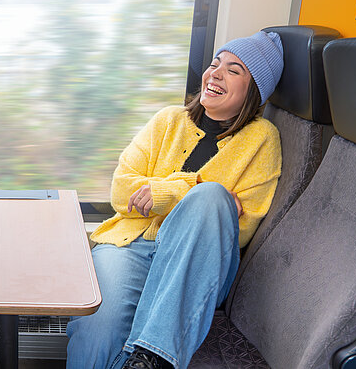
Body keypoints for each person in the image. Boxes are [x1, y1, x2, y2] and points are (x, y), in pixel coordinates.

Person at [66, 31, 284, 369]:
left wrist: (168, 192)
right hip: (131, 244)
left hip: (196, 261)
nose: (216, 73)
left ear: (254, 90)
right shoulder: (168, 120)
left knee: (210, 198)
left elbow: (242, 227)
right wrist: (194, 189)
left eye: (234, 70)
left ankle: (154, 357)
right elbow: (121, 191)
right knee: (97, 325)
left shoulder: (262, 139)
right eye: (215, 64)